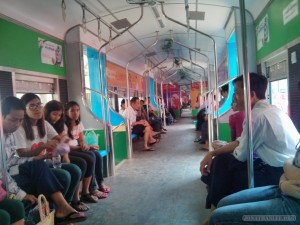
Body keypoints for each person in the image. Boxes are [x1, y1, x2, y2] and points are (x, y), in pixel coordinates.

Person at [200, 73, 299, 210]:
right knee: (221, 160)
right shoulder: (275, 110)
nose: (234, 98)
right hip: (289, 168)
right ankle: (216, 200)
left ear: (251, 95)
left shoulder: (255, 117)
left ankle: (219, 206)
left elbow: (241, 155)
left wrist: (217, 154)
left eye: (237, 94)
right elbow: (240, 141)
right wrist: (212, 153)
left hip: (278, 174)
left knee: (222, 162)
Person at [1, 96, 86, 224]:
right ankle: (62, 209)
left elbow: (13, 160)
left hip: (17, 169)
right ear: (1, 115)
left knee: (69, 170)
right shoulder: (14, 132)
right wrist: (20, 194)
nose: (17, 124)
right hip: (8, 177)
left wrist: (36, 158)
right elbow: (4, 170)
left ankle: (61, 210)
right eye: (13, 120)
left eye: (20, 120)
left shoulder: (11, 133)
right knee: (57, 173)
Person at [13, 93, 81, 207]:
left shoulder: (44, 124)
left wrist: (63, 141)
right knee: (64, 176)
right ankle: (58, 209)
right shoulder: (19, 128)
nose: (37, 109)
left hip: (42, 162)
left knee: (75, 170)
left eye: (39, 105)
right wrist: (44, 147)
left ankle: (67, 206)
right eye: (32, 106)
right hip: (27, 166)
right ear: (24, 110)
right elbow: (22, 154)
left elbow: (57, 138)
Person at [209, 141, 300, 225]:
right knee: (223, 202)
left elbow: (241, 152)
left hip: (294, 211)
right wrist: (283, 181)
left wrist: (287, 171)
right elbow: (289, 163)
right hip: (285, 186)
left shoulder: (261, 123)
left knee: (217, 217)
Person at [44, 100, 90, 211]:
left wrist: (66, 156)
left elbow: (62, 144)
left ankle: (75, 199)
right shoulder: (44, 125)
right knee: (71, 171)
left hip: (56, 156)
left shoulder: (60, 125)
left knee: (87, 160)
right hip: (47, 159)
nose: (57, 117)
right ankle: (66, 204)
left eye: (59, 115)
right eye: (54, 114)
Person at [65, 101, 110, 203]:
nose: (75, 113)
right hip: (69, 150)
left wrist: (84, 145)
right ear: (66, 112)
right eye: (72, 110)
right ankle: (91, 189)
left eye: (77, 110)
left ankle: (100, 183)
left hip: (76, 148)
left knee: (97, 155)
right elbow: (66, 146)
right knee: (90, 157)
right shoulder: (64, 126)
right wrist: (87, 148)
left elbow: (81, 140)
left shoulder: (79, 123)